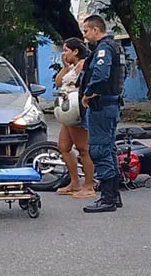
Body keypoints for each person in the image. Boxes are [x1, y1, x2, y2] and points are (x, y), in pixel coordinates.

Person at [79, 15, 126, 213]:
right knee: (108, 149)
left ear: (96, 30)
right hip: (109, 105)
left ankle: (107, 198)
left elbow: (100, 74)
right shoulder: (113, 47)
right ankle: (113, 196)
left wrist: (88, 93)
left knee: (99, 149)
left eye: (86, 31)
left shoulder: (104, 49)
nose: (84, 35)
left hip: (101, 106)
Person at [53, 38, 96, 199]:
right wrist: (64, 67)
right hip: (67, 110)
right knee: (64, 146)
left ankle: (88, 184)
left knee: (82, 148)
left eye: (66, 50)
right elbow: (58, 82)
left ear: (75, 51)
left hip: (76, 110)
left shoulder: (83, 65)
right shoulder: (70, 67)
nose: (64, 54)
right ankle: (74, 181)